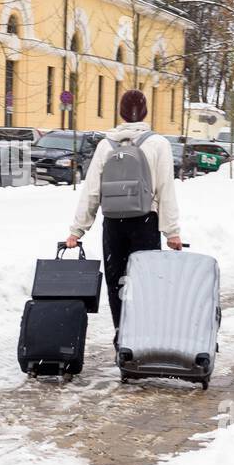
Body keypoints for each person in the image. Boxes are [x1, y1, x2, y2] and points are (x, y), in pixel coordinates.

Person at [64, 89, 182, 333]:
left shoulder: (106, 145)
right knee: (147, 282)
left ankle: (121, 333)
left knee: (116, 282)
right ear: (146, 112)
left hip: (113, 223)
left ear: (121, 113)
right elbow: (165, 189)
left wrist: (77, 230)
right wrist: (172, 232)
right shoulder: (158, 144)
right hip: (145, 222)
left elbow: (92, 191)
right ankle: (142, 337)